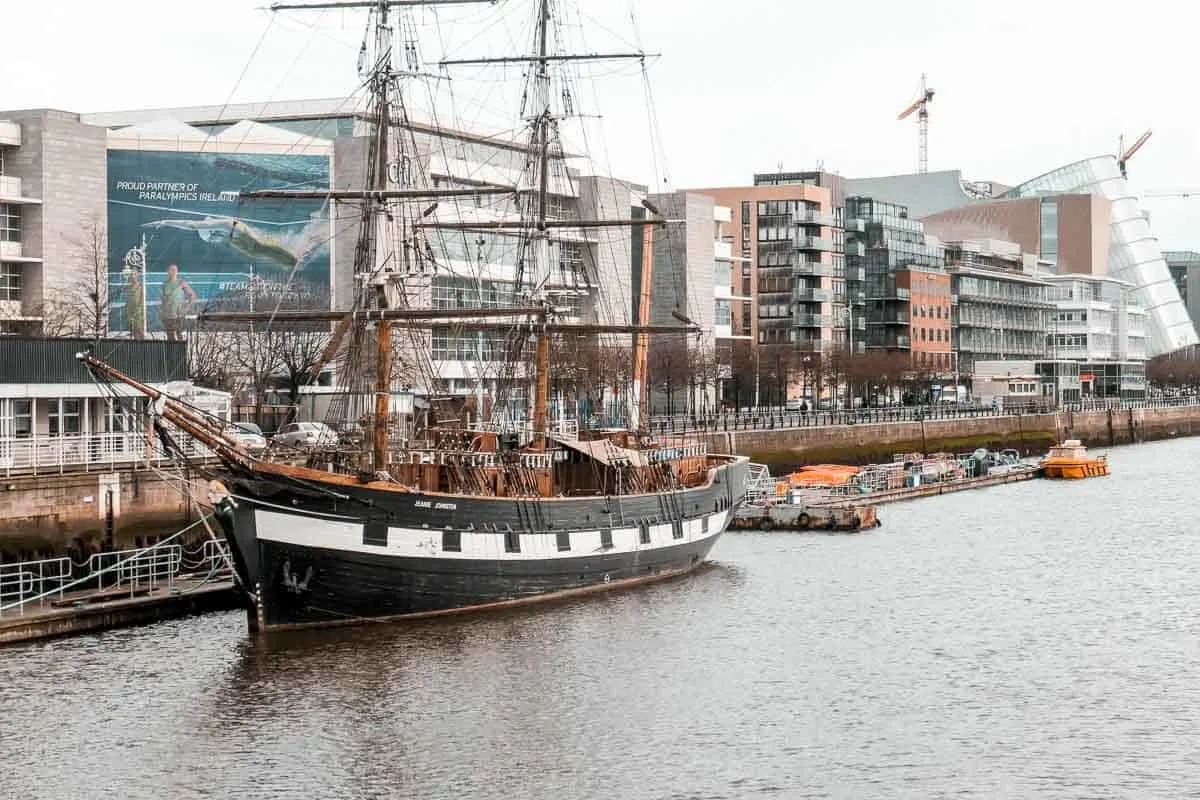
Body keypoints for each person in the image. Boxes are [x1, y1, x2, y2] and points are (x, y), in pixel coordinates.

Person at [160, 263, 197, 342]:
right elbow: (163, 300)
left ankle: (181, 353)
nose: (172, 272)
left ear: (177, 271)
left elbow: (193, 296)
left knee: (180, 337)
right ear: (168, 271)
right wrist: (162, 312)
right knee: (170, 338)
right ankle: (172, 353)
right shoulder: (164, 284)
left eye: (174, 270)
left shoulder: (181, 282)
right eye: (170, 270)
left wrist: (186, 308)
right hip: (168, 316)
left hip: (179, 315)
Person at [124, 270, 145, 340]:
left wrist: (140, 308)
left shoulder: (140, 286)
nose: (133, 277)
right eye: (132, 275)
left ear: (137, 276)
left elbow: (142, 298)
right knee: (131, 328)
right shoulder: (128, 287)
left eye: (134, 275)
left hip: (138, 310)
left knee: (138, 328)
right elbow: (128, 298)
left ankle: (139, 342)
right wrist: (126, 307)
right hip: (130, 309)